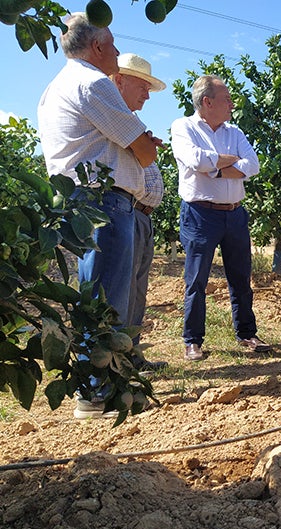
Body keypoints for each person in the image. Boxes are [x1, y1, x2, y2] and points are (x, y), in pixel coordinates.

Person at [37, 13, 159, 418]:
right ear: (99, 47)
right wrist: (141, 144)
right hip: (104, 202)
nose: (119, 53)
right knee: (106, 299)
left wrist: (136, 143)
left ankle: (100, 388)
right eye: (115, 45)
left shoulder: (55, 87)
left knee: (98, 294)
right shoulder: (93, 83)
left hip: (82, 202)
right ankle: (94, 394)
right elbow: (145, 151)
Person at [171, 75, 268, 362]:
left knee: (240, 277)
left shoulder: (234, 132)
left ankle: (247, 333)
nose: (232, 104)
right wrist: (226, 161)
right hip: (200, 214)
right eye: (226, 99)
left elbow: (253, 165)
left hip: (235, 213)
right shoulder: (183, 127)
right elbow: (194, 160)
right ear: (207, 102)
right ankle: (193, 340)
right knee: (196, 279)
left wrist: (214, 167)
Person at [112, 53, 169, 373]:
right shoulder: (114, 116)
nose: (147, 94)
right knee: (123, 291)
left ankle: (130, 354)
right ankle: (118, 360)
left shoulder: (130, 121)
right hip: (127, 210)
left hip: (141, 215)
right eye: (143, 86)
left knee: (135, 290)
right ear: (119, 80)